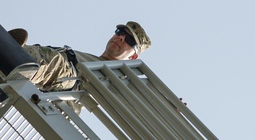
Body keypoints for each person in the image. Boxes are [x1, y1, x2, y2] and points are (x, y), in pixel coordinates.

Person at [9, 21, 151, 93]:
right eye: (120, 32)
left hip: (64, 81)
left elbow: (146, 95)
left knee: (54, 61)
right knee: (51, 57)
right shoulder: (92, 60)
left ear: (133, 57)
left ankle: (15, 59)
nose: (121, 38)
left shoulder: (118, 77)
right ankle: (6, 49)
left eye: (130, 41)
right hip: (52, 71)